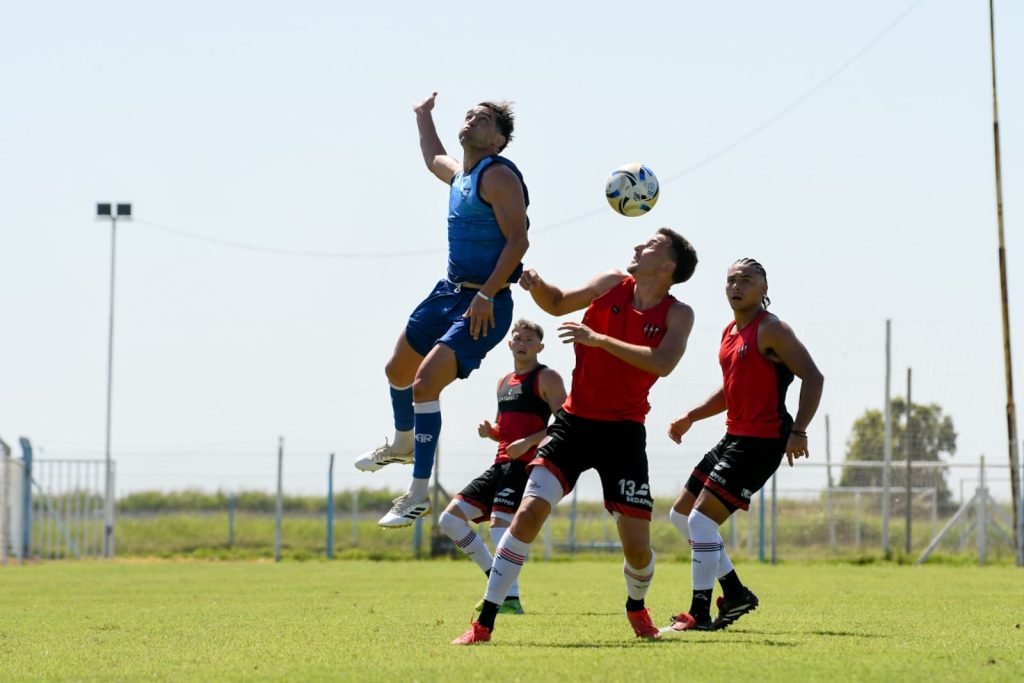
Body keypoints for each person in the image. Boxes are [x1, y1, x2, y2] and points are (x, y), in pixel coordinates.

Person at [452, 228, 699, 645]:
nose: (638, 245)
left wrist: (597, 339)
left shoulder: (679, 314)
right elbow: (557, 302)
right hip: (573, 424)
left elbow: (663, 363)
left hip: (623, 433)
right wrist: (536, 285)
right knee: (528, 513)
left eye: (651, 245)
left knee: (638, 551)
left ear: (667, 266)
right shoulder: (609, 283)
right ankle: (484, 622)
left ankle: (636, 607)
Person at [353, 92, 530, 528]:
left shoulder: (498, 176)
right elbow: (434, 157)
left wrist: (487, 295)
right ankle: (402, 443)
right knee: (397, 370)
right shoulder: (462, 174)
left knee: (423, 383)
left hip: (484, 302)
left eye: (485, 119)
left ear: (499, 141)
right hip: (446, 292)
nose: (473, 118)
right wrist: (422, 115)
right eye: (471, 113)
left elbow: (519, 240)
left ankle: (416, 494)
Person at [664, 258, 824, 632]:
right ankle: (734, 592)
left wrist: (799, 431)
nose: (737, 286)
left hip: (762, 442)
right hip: (734, 437)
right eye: (731, 280)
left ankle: (699, 613)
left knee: (701, 522)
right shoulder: (729, 332)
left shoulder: (772, 329)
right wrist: (691, 416)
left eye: (747, 280)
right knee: (680, 517)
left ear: (763, 288)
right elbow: (732, 388)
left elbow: (813, 376)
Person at [438, 319, 566, 615]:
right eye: (517, 339)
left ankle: (511, 598)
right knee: (449, 520)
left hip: (525, 466)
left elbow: (565, 424)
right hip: (499, 465)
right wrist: (491, 431)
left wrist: (527, 443)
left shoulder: (547, 378)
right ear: (509, 344)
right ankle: (495, 578)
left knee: (499, 526)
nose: (522, 344)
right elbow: (503, 428)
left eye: (529, 340)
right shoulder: (503, 382)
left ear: (540, 347)